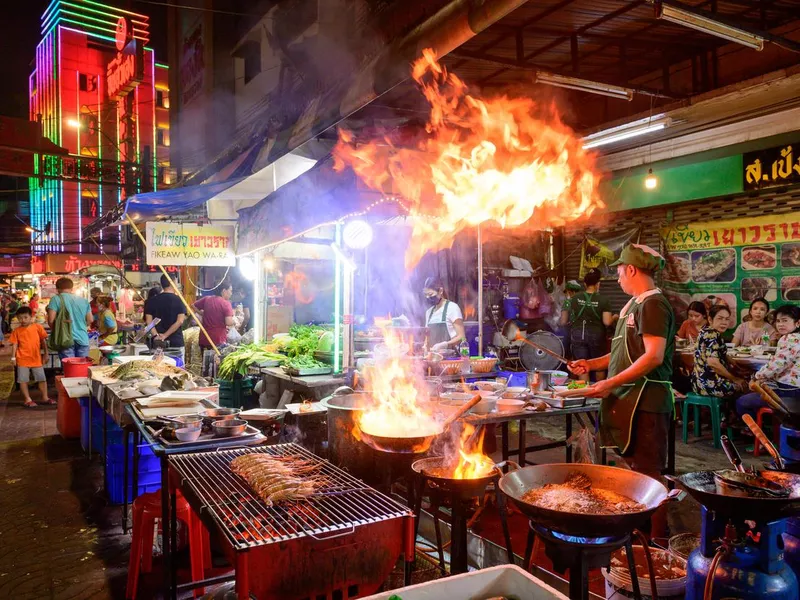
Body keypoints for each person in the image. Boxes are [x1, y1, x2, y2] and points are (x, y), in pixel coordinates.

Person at [566, 244, 675, 538]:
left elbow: (654, 357)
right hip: (628, 399)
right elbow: (619, 355)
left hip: (647, 401)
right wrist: (589, 364)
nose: (616, 278)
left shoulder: (653, 304)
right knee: (633, 467)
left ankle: (658, 537)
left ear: (631, 269)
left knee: (650, 473)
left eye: (618, 271)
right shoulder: (633, 305)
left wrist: (609, 383)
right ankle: (638, 527)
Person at [735, 305, 800, 419]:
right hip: (793, 388)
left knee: (742, 402)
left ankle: (757, 431)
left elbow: (776, 365)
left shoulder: (789, 338)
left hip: (789, 391)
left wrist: (756, 376)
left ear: (797, 323)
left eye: (785, 321)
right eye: (778, 321)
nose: (780, 324)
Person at [562, 268, 614, 381]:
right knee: (599, 366)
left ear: (585, 284)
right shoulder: (604, 300)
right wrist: (615, 317)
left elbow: (565, 319)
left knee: (581, 366)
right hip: (596, 336)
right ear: (598, 284)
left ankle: (584, 395)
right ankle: (598, 395)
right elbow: (607, 322)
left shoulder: (574, 298)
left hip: (578, 334)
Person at [691, 305, 748, 398]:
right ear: (710, 319)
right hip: (709, 384)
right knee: (745, 386)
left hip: (699, 382)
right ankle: (732, 412)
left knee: (743, 378)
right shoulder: (711, 335)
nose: (724, 322)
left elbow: (723, 354)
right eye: (720, 318)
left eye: (727, 319)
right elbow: (713, 363)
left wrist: (738, 368)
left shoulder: (707, 331)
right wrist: (734, 379)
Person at [10, 306, 51, 408]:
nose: (22, 320)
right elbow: (14, 344)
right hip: (22, 358)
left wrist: (46, 353)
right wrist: (13, 357)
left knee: (41, 378)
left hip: (36, 358)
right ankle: (27, 399)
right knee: (23, 380)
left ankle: (45, 397)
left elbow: (43, 341)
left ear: (31, 317)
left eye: (25, 317)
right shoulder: (16, 331)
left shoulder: (38, 327)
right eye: (20, 318)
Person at [194, 281, 234, 376]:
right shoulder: (226, 303)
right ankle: (215, 386)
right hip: (218, 340)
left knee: (206, 366)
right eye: (230, 291)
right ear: (224, 291)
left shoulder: (207, 299)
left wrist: (203, 314)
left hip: (204, 338)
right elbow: (228, 322)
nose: (231, 293)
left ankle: (206, 383)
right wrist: (236, 321)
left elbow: (193, 306)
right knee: (217, 367)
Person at [47, 278, 93, 358]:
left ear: (57, 289)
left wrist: (57, 331)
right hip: (83, 338)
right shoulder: (83, 300)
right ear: (72, 288)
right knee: (81, 368)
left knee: (70, 367)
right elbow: (90, 320)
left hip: (65, 339)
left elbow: (51, 320)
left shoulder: (55, 299)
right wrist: (80, 325)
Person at [145, 275, 187, 359]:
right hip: (176, 342)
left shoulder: (151, 301)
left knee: (159, 369)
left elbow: (149, 322)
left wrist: (157, 336)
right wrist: (165, 335)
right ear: (173, 282)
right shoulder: (179, 300)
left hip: (158, 344)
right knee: (177, 369)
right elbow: (180, 321)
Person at [423, 278, 466, 353]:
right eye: (426, 295)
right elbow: (427, 338)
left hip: (451, 359)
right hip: (433, 359)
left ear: (440, 291)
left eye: (430, 294)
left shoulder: (452, 308)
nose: (428, 298)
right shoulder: (428, 312)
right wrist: (424, 346)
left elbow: (462, 337)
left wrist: (445, 344)